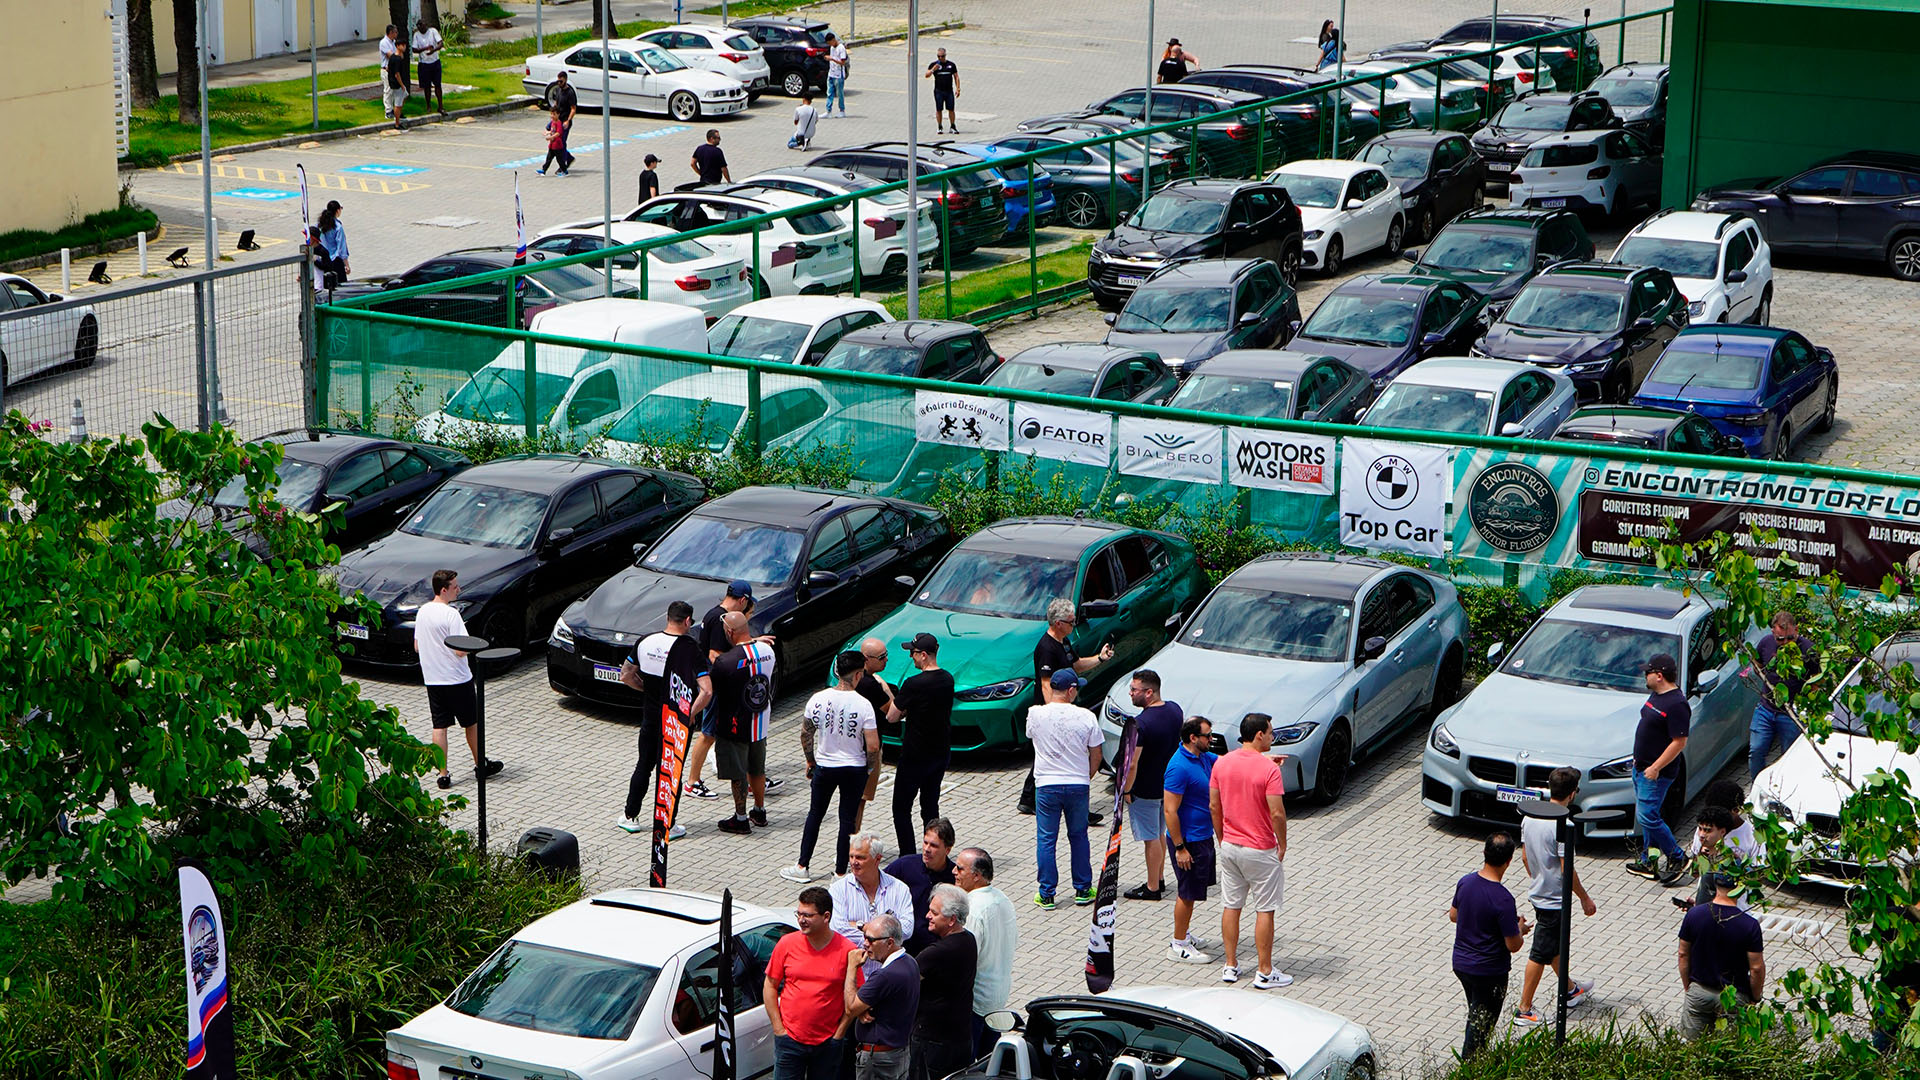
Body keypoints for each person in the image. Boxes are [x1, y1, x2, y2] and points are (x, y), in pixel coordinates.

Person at [617, 600, 711, 836]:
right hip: (675, 723)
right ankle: (668, 824)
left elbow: (626, 675)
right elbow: (707, 690)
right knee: (670, 773)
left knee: (643, 766)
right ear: (688, 621)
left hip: (650, 717)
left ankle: (630, 816)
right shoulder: (690, 648)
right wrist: (690, 713)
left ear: (667, 617)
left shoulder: (645, 641)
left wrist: (646, 690)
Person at [785, 651, 880, 882]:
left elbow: (806, 733)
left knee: (815, 814)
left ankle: (802, 865)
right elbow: (874, 746)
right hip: (854, 768)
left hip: (825, 765)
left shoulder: (818, 698)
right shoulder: (864, 705)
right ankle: (840, 872)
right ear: (858, 675)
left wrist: (810, 761)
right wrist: (867, 769)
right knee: (847, 820)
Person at [1513, 767, 1597, 1027]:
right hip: (1554, 899)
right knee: (1540, 952)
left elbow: (1526, 856)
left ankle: (1570, 989)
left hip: (1538, 892)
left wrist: (1537, 877)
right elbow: (1566, 867)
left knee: (1554, 946)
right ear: (1572, 794)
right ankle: (1524, 1009)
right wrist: (1584, 897)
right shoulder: (1564, 824)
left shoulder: (1530, 817)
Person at [1210, 713, 1289, 988]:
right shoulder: (1270, 770)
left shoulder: (1222, 763)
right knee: (1265, 909)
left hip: (1230, 846)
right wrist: (1283, 843)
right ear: (1258, 735)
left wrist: (1221, 836)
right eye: (1270, 733)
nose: (1272, 737)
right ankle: (1265, 971)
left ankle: (1230, 965)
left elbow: (1214, 806)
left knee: (1231, 906)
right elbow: (1277, 813)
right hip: (1260, 848)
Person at [1019, 598, 1112, 816]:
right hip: (1052, 708)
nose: (1074, 625)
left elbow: (1076, 665)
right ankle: (1075, 807)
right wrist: (1058, 715)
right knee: (1068, 755)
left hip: (1062, 705)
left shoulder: (1063, 641)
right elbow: (1045, 683)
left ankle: (1027, 798)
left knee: (1045, 755)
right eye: (1071, 622)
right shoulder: (1046, 648)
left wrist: (1100, 658)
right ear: (1058, 623)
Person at [413, 569, 503, 789]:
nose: (458, 590)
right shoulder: (451, 614)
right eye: (455, 587)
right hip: (457, 679)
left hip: (433, 679)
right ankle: (480, 764)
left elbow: (416, 646)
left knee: (440, 726)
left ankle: (443, 774)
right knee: (471, 724)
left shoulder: (422, 612)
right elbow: (461, 650)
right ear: (444, 590)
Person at [1450, 832, 1530, 1060]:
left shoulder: (1465, 882)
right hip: (1489, 971)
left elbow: (1454, 915)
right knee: (1480, 1030)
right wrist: (1520, 930)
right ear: (1508, 861)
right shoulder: (1503, 898)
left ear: (1484, 853)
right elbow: (1513, 945)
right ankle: (1469, 1068)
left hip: (1462, 964)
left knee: (1476, 1014)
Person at [1028, 668, 1103, 909]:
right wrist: (1086, 776)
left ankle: (1047, 893)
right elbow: (1096, 753)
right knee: (1079, 836)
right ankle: (1082, 888)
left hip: (1047, 785)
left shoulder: (1035, 714)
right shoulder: (1087, 717)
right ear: (1071, 690)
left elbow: (1032, 738)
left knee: (1047, 839)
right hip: (1077, 784)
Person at [768, 886, 858, 1080]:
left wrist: (840, 1032)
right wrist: (778, 1028)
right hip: (789, 1041)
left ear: (826, 917)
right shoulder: (786, 944)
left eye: (808, 915)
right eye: (799, 914)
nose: (801, 920)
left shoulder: (847, 950)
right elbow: (770, 985)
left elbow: (855, 996)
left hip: (828, 1043)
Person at [686, 580, 755, 800]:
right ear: (743, 600)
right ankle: (692, 781)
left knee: (727, 733)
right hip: (715, 686)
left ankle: (749, 775)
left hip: (718, 684)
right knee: (707, 734)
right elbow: (715, 656)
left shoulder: (714, 614)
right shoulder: (719, 619)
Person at [1625, 653, 1691, 885]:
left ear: (1659, 676)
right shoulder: (1657, 696)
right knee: (1646, 817)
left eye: (1648, 672)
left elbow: (1679, 742)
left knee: (1648, 816)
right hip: (1641, 767)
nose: (1645, 675)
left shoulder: (1677, 705)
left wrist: (1654, 767)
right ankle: (1648, 861)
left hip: (1655, 773)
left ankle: (1677, 856)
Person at [711, 610, 777, 834]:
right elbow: (750, 653)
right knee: (757, 769)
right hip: (760, 722)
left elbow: (713, 690)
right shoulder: (767, 651)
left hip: (735, 725)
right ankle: (759, 811)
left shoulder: (725, 662)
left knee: (738, 773)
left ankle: (740, 818)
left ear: (729, 631)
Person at [888, 633, 955, 858]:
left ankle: (907, 855)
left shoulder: (913, 684)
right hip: (940, 753)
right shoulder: (948, 679)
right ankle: (935, 850)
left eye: (913, 653)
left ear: (924, 655)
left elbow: (892, 716)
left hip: (915, 755)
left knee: (901, 809)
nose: (911, 657)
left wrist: (890, 695)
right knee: (930, 806)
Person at [1677, 872, 1766, 1038]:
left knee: (1690, 1050)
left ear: (1714, 885)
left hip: (1699, 991)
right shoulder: (1749, 925)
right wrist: (1755, 997)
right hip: (1734, 996)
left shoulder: (1694, 915)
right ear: (1740, 888)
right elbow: (1756, 968)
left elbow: (1683, 954)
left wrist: (1689, 986)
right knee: (1729, 1052)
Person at [1121, 670, 1183, 902]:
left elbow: (1133, 763)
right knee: (1159, 833)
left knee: (1150, 838)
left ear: (1149, 692)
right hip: (1167, 786)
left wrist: (1127, 789)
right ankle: (1159, 877)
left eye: (1134, 690)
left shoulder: (1141, 724)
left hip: (1145, 789)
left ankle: (1152, 887)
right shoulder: (1175, 710)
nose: (1130, 693)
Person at [1162, 716, 1218, 963]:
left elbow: (1231, 764)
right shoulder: (1179, 767)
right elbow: (1169, 811)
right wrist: (1180, 848)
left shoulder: (1203, 757)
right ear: (1193, 738)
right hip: (1189, 842)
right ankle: (1178, 944)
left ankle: (1183, 933)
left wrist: (1263, 760)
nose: (1211, 739)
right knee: (1186, 892)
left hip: (1203, 837)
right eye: (1208, 735)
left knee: (1193, 892)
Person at [911, 884, 977, 1080]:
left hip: (933, 1040)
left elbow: (903, 982)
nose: (927, 916)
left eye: (934, 913)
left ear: (951, 920)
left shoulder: (936, 953)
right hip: (961, 1036)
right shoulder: (969, 940)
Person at [954, 847, 1015, 1056]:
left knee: (970, 1065)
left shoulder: (972, 907)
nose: (954, 872)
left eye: (960, 869)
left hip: (976, 1002)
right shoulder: (1003, 899)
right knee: (990, 1063)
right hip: (998, 997)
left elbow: (967, 957)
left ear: (977, 876)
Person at [845, 914, 918, 1080]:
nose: (865, 944)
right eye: (864, 937)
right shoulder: (910, 962)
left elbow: (850, 1007)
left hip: (878, 1060)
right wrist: (862, 1009)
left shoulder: (885, 975)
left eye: (871, 940)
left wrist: (851, 967)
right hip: (899, 1053)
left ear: (890, 942)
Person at [830, 834, 916, 948]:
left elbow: (906, 929)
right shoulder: (838, 890)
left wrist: (862, 926)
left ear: (877, 859)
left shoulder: (900, 889)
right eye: (851, 856)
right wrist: (884, 937)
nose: (854, 862)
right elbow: (839, 930)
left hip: (888, 965)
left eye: (860, 858)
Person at [886, 819, 956, 955]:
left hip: (936, 951)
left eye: (934, 845)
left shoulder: (955, 876)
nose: (927, 849)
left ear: (947, 850)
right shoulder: (904, 866)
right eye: (925, 842)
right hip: (904, 948)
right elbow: (878, 883)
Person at [1749, 611, 1806, 778]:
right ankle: (1756, 786)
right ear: (1773, 632)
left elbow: (1817, 680)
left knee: (1789, 755)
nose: (1785, 643)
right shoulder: (1766, 643)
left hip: (1790, 713)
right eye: (1780, 639)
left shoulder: (1808, 649)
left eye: (1790, 638)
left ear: (1796, 630)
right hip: (1766, 709)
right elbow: (1757, 662)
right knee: (1756, 750)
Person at [1683, 805, 1758, 913]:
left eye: (1708, 830)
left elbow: (1752, 879)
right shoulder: (1703, 852)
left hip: (1732, 916)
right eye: (1700, 829)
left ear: (1722, 832)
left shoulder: (1730, 860)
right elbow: (1696, 874)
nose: (1702, 835)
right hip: (1706, 915)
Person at [412, 19, 445, 114]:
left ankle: (440, 106)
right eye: (419, 27)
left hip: (435, 61)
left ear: (426, 25)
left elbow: (440, 43)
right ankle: (428, 106)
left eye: (422, 26)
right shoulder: (417, 35)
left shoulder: (433, 31)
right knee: (427, 87)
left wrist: (433, 50)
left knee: (437, 84)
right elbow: (414, 49)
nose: (421, 28)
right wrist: (425, 49)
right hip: (424, 64)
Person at [379, 25, 409, 127]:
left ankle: (397, 111)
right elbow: (390, 55)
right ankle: (388, 111)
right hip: (386, 69)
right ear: (390, 33)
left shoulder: (393, 42)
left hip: (392, 69)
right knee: (388, 90)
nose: (396, 34)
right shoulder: (384, 42)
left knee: (397, 93)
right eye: (395, 32)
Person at [314, 200, 349, 284]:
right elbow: (341, 248)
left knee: (328, 287)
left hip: (324, 260)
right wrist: (346, 264)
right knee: (341, 286)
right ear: (337, 211)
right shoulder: (338, 227)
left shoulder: (319, 224)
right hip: (335, 261)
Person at [925, 49, 959, 134]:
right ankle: (939, 126)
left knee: (951, 109)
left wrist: (958, 88)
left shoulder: (951, 65)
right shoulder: (934, 64)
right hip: (938, 91)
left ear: (945, 55)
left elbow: (956, 77)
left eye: (942, 56)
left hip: (949, 91)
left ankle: (952, 126)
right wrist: (933, 69)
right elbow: (927, 75)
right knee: (939, 109)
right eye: (938, 56)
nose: (940, 58)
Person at [550, 71, 579, 173]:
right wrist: (553, 117)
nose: (559, 83)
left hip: (565, 122)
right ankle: (569, 158)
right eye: (558, 81)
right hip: (558, 120)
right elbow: (557, 104)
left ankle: (563, 165)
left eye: (561, 81)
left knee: (561, 143)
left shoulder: (570, 93)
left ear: (565, 80)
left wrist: (568, 121)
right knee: (558, 142)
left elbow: (573, 109)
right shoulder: (558, 90)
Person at [825, 33, 850, 116]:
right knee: (829, 92)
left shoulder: (841, 48)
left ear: (833, 40)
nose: (829, 45)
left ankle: (842, 110)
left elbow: (842, 62)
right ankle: (828, 111)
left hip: (839, 75)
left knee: (840, 93)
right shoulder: (832, 47)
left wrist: (832, 59)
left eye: (830, 43)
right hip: (831, 73)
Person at [538, 108, 568, 176]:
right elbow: (553, 131)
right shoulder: (552, 122)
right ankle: (544, 170)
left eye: (554, 114)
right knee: (548, 158)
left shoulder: (559, 123)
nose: (552, 116)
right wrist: (547, 132)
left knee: (559, 160)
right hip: (552, 145)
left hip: (557, 145)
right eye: (551, 114)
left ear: (558, 114)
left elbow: (558, 133)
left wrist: (551, 137)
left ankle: (564, 170)